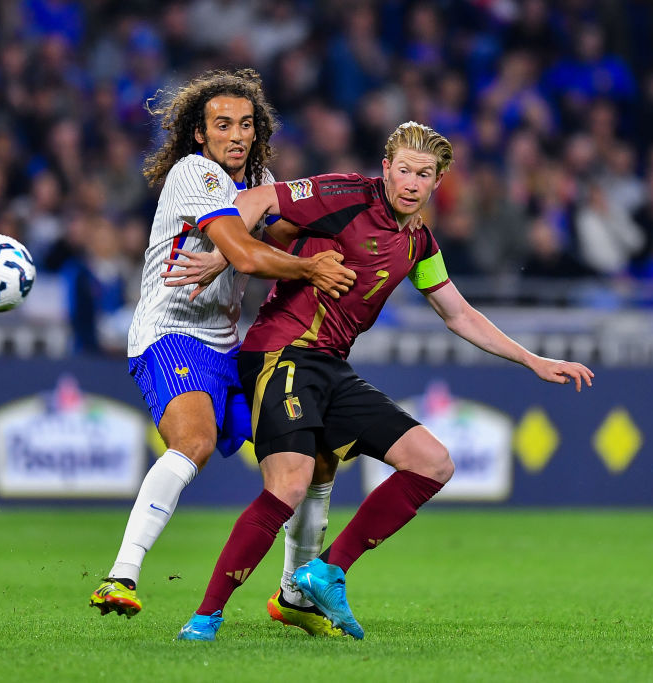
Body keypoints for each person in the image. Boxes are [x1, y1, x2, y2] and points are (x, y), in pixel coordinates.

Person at [174, 121, 594, 641]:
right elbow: (256, 199)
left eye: (424, 174)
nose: (412, 183)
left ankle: (327, 571)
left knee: (433, 463)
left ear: (437, 182)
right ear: (386, 169)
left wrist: (532, 360)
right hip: (282, 353)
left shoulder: (419, 242)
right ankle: (205, 617)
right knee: (290, 484)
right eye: (405, 171)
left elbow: (458, 314)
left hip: (331, 365)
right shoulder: (344, 194)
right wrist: (225, 253)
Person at [89, 69, 355, 636]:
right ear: (200, 134)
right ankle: (121, 575)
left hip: (229, 346)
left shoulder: (258, 179)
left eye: (246, 124)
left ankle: (295, 594)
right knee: (196, 441)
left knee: (315, 452)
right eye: (223, 125)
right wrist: (309, 267)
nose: (237, 135)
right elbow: (250, 256)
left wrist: (342, 216)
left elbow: (282, 235)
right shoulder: (194, 173)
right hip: (170, 333)